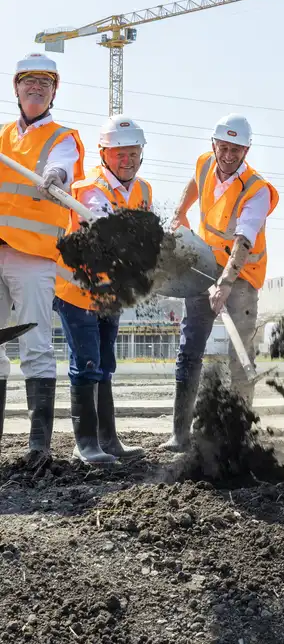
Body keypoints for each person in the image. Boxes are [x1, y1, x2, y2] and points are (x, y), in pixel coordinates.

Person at [161, 114, 279, 452]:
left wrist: (226, 283)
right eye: (223, 148)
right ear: (214, 145)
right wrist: (180, 213)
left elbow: (245, 240)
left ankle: (238, 436)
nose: (228, 156)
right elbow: (195, 184)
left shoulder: (256, 190)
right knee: (190, 349)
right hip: (203, 267)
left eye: (236, 150)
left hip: (241, 277)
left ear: (247, 149)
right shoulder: (204, 163)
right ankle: (180, 434)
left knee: (239, 354)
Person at [0, 53, 85, 459]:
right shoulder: (2, 137)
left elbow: (63, 165)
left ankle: (38, 448)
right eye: (28, 82)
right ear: (15, 88)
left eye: (45, 84)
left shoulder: (61, 138)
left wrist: (55, 176)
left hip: (32, 259)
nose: (36, 89)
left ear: (54, 92)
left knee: (34, 345)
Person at [55, 116, 151, 464]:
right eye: (119, 154)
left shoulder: (143, 190)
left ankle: (108, 440)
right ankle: (86, 444)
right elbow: (98, 215)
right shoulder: (90, 185)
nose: (127, 160)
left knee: (105, 364)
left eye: (133, 153)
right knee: (86, 363)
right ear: (103, 153)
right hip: (78, 291)